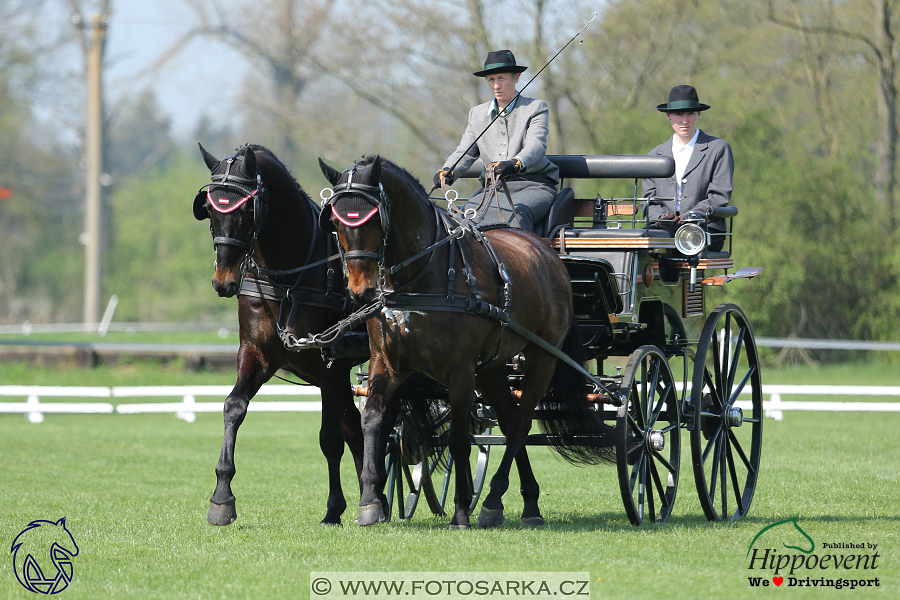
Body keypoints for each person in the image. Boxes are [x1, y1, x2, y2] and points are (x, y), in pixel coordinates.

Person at [434, 50, 559, 233]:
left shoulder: (535, 108)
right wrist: (448, 170)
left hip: (533, 186)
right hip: (493, 189)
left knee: (516, 214)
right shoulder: (476, 114)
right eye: (491, 80)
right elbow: (465, 152)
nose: (496, 85)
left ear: (516, 77)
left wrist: (516, 163)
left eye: (502, 78)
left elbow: (536, 145)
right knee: (461, 219)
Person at [642, 84, 733, 252]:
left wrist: (691, 215)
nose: (685, 120)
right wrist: (662, 217)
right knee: (647, 244)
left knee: (675, 242)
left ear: (698, 114)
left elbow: (719, 195)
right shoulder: (654, 156)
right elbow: (649, 201)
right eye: (678, 114)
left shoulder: (718, 149)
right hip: (664, 229)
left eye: (690, 113)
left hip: (704, 228)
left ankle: (670, 276)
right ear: (668, 115)